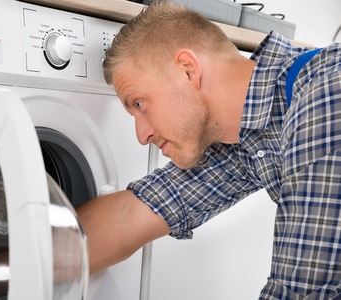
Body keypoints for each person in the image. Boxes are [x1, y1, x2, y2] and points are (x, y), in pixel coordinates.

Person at [76, 0, 341, 298]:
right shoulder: (244, 141)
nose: (142, 135)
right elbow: (130, 216)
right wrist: (16, 262)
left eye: (139, 104)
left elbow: (304, 291)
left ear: (188, 70)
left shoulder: (326, 92)